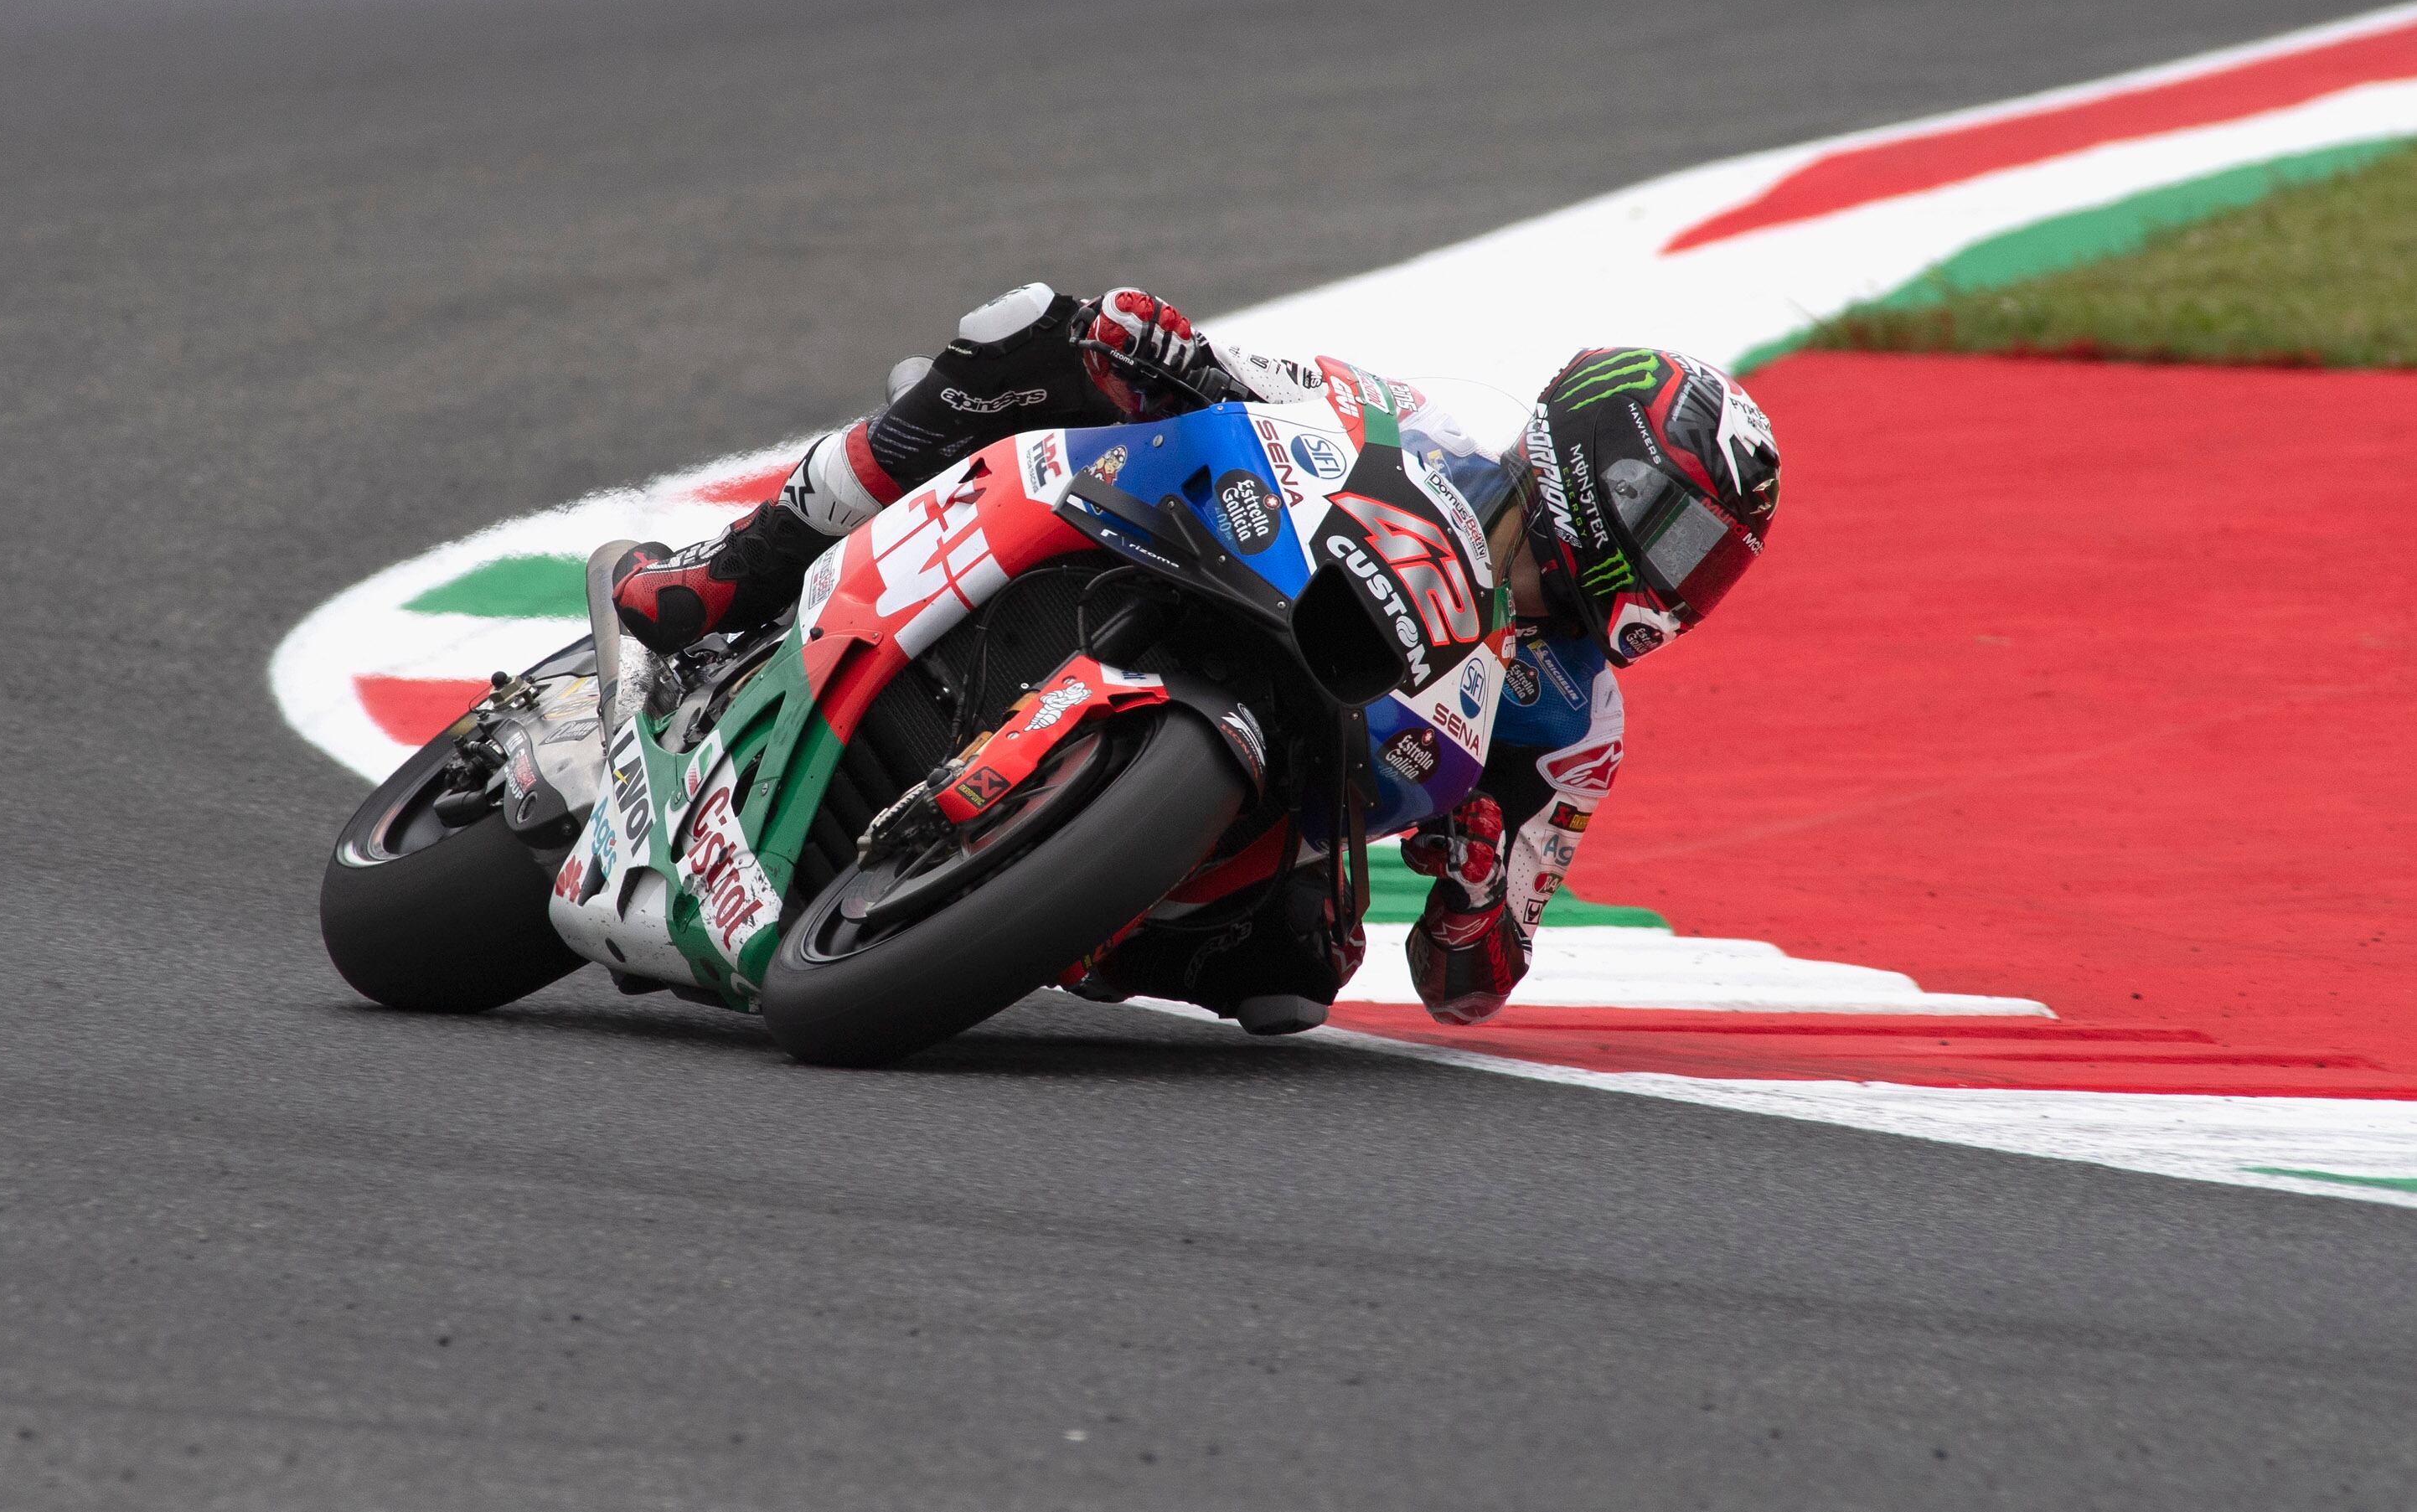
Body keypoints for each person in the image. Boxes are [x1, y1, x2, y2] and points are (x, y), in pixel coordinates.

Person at [609, 285, 1780, 1030]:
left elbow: (1467, 987)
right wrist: (1171, 350)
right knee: (1034, 329)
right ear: (1597, 458)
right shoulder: (1439, 424)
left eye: (1711, 566)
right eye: (1678, 533)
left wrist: (1475, 891)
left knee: (1293, 986)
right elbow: (1272, 387)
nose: (1682, 582)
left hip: (1292, 775)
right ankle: (733, 569)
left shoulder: (1579, 727)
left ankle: (1039, 896)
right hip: (1214, 559)